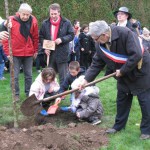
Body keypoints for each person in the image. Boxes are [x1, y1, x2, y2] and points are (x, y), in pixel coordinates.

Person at [78, 20, 150, 140]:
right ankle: (118, 126)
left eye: (96, 38)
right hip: (122, 73)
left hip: (140, 71)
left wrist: (122, 70)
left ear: (104, 34)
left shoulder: (125, 33)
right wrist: (86, 80)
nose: (95, 41)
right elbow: (97, 63)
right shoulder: (100, 43)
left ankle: (146, 130)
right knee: (122, 100)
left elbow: (136, 54)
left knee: (145, 102)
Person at [2, 3, 39, 101]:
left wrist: (35, 50)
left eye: (28, 15)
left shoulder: (34, 21)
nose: (25, 17)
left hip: (29, 53)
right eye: (23, 14)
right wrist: (7, 53)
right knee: (15, 76)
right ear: (19, 12)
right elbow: (5, 38)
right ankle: (16, 95)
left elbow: (35, 37)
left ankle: (29, 93)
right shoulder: (10, 20)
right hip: (15, 53)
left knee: (29, 75)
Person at [39, 3, 74, 86]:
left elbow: (71, 35)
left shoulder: (66, 22)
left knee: (63, 75)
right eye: (51, 14)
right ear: (49, 13)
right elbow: (41, 36)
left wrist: (62, 39)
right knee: (50, 75)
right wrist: (45, 48)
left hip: (62, 53)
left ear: (59, 13)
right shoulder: (45, 23)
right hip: (50, 54)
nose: (53, 16)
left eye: (55, 14)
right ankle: (51, 91)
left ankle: (62, 93)